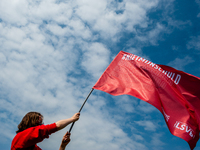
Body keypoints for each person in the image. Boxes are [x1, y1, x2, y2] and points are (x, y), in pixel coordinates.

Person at [11, 111, 80, 150]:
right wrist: (72, 119)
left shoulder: (34, 148)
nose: (41, 125)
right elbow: (56, 126)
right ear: (31, 122)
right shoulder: (22, 136)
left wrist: (62, 145)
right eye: (39, 122)